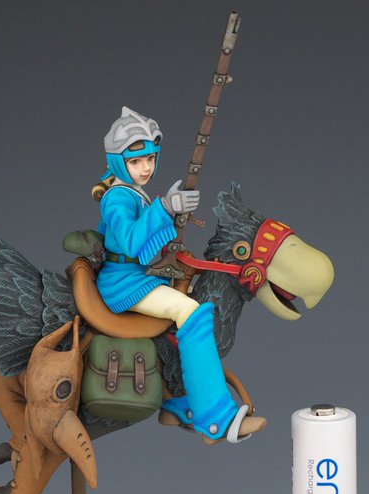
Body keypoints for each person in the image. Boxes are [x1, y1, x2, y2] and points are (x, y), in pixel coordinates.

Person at [94, 107, 266, 443]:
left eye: (150, 159)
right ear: (118, 162)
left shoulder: (131, 192)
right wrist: (164, 208)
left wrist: (168, 214)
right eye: (136, 161)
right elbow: (130, 241)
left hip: (137, 276)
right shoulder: (116, 198)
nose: (146, 168)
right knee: (191, 312)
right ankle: (218, 419)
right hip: (123, 283)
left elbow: (145, 241)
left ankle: (178, 402)